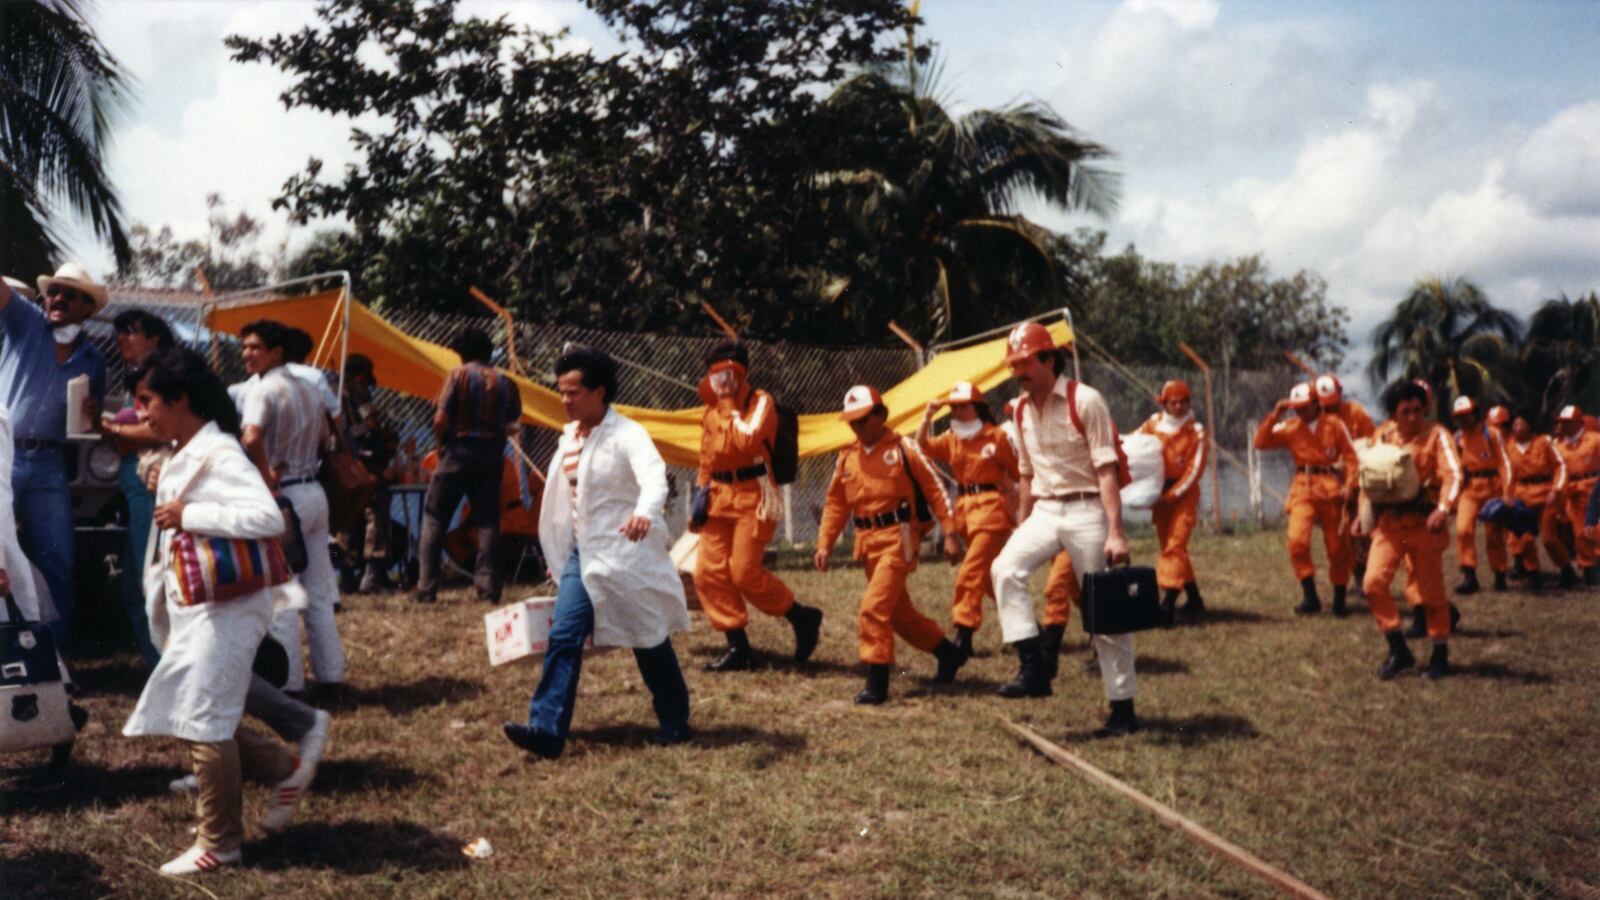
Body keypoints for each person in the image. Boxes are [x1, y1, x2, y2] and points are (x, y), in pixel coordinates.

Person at [119, 346, 313, 876]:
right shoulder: (188, 449)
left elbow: (267, 516)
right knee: (192, 710)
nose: (140, 413)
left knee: (203, 717)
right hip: (200, 605)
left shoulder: (222, 451)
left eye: (147, 401)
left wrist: (190, 512)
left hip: (229, 605)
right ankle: (281, 766)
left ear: (180, 399)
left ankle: (220, 842)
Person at [505, 346, 692, 757]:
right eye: (562, 392)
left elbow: (654, 477)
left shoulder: (628, 434)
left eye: (573, 392)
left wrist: (644, 512)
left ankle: (676, 720)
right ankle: (547, 731)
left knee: (647, 638)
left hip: (627, 554)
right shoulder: (570, 436)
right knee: (564, 634)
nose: (565, 400)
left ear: (599, 391)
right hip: (583, 554)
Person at [988, 322, 1140, 738]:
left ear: (1048, 359)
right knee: (1004, 569)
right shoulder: (1018, 409)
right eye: (1014, 364)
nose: (1019, 372)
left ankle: (1122, 708)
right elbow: (1024, 472)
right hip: (1045, 509)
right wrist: (1022, 522)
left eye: (1025, 363)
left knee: (1103, 609)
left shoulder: (1086, 401)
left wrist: (1115, 533)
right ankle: (1034, 668)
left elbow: (1107, 470)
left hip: (1088, 507)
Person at [814, 385, 968, 704]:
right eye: (852, 422)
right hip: (867, 544)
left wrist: (951, 533)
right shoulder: (846, 458)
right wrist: (824, 543)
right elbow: (835, 504)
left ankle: (878, 683)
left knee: (873, 608)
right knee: (898, 615)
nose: (858, 427)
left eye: (863, 420)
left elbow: (937, 491)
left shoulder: (904, 449)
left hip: (900, 540)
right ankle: (948, 653)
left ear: (881, 415)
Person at [692, 340, 823, 670]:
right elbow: (707, 456)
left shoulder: (760, 402)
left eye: (729, 373)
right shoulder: (709, 412)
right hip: (720, 497)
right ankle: (738, 648)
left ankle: (800, 616)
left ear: (742, 372)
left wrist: (728, 406)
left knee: (744, 573)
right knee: (708, 572)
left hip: (755, 496)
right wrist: (700, 494)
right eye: (716, 374)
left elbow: (747, 439)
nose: (723, 381)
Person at [0, 263, 109, 646]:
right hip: (4, 455)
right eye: (54, 291)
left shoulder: (93, 360)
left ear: (87, 307)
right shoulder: (26, 322)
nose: (58, 298)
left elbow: (85, 428)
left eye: (70, 293)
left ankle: (53, 664)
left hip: (48, 464)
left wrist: (92, 416)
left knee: (57, 562)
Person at [238, 320, 345, 694]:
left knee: (283, 591)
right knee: (318, 588)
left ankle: (290, 684)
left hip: (282, 497)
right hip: (313, 490)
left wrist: (265, 476)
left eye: (255, 347)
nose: (246, 353)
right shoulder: (309, 388)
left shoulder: (263, 390)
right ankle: (331, 675)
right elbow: (328, 438)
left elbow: (251, 436)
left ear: (276, 352)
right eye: (245, 346)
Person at [1353, 380, 1461, 680]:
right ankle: (1398, 648)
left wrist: (1443, 508)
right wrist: (1363, 517)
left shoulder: (1437, 436)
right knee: (1373, 583)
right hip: (1391, 528)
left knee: (1430, 592)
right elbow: (1369, 478)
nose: (1413, 417)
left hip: (1423, 526)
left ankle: (1440, 653)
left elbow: (1453, 473)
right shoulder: (1382, 436)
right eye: (1405, 412)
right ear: (1393, 415)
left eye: (1418, 410)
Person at [415, 327, 523, 604]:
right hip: (491, 457)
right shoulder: (505, 383)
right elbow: (514, 424)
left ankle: (426, 588)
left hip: (457, 453)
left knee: (435, 517)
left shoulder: (457, 376)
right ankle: (488, 589)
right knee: (488, 522)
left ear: (462, 353)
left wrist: (441, 445)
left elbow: (440, 419)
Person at [917, 382, 1019, 656]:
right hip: (964, 513)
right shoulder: (952, 438)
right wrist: (927, 417)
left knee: (969, 573)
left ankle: (964, 636)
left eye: (964, 405)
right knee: (988, 579)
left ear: (978, 407)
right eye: (954, 407)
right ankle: (1028, 627)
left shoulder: (995, 437)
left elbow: (1019, 472)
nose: (958, 411)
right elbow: (922, 446)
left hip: (991, 513)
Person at [103, 309, 178, 667]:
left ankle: (167, 669)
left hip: (151, 486)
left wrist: (113, 430)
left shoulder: (165, 377)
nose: (121, 338)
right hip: (136, 486)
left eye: (130, 331)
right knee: (135, 583)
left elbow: (162, 430)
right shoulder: (136, 382)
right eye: (119, 331)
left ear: (154, 339)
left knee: (150, 581)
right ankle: (160, 669)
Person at [1253, 382, 1359, 616]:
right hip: (1303, 488)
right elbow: (1260, 442)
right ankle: (1310, 596)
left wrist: (1350, 485)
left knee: (1337, 546)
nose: (1300, 411)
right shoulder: (1290, 426)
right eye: (1296, 407)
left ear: (1316, 403)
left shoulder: (1334, 424)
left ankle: (1339, 599)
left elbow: (1352, 457)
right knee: (1296, 541)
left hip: (1331, 488)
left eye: (1304, 407)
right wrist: (1275, 415)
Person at [1136, 380, 1209, 616]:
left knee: (1175, 546)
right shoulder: (1153, 424)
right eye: (1173, 403)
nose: (1178, 407)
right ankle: (1195, 599)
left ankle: (1167, 602)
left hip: (1183, 494)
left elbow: (1194, 471)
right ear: (1164, 403)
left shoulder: (1196, 431)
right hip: (1159, 491)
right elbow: (1134, 446)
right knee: (1169, 546)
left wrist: (1171, 495)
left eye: (1183, 402)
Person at [337, 353, 397, 594]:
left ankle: (346, 574)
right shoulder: (358, 391)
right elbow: (371, 423)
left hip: (342, 464)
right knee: (376, 515)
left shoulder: (333, 392)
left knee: (347, 519)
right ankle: (372, 574)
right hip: (366, 462)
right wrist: (385, 436)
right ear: (360, 376)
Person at [1449, 396, 1513, 594]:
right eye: (1459, 416)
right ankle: (1469, 575)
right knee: (1462, 530)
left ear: (1475, 413)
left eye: (1467, 415)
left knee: (1494, 534)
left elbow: (1505, 464)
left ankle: (1500, 574)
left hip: (1492, 487)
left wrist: (1507, 492)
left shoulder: (1491, 433)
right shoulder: (1457, 438)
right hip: (1469, 490)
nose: (1463, 420)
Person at [1505, 411, 1574, 591]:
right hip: (1521, 497)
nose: (1517, 428)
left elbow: (1561, 466)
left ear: (1529, 425)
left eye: (1521, 424)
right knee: (1525, 538)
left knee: (1549, 538)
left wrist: (1556, 489)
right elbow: (1506, 475)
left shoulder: (1543, 442)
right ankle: (1533, 572)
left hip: (1545, 495)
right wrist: (1508, 495)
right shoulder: (1508, 447)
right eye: (1514, 425)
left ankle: (1566, 569)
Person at [1551, 404, 1600, 586]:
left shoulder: (1595, 440)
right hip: (1573, 493)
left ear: (1580, 423)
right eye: (1562, 422)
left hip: (1594, 488)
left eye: (1568, 422)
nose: (1564, 426)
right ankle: (1588, 567)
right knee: (1580, 533)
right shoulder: (1558, 446)